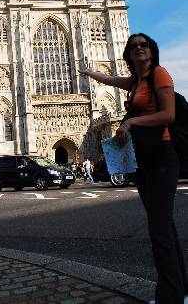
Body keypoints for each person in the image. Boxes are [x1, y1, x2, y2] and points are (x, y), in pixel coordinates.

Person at [79, 33, 188, 304]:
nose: (139, 48)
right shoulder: (136, 81)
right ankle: (180, 288)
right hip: (144, 159)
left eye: (144, 44)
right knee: (164, 227)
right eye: (133, 46)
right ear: (128, 54)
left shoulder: (159, 75)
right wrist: (87, 70)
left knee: (159, 229)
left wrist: (130, 123)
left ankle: (169, 297)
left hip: (162, 155)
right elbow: (110, 80)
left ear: (153, 50)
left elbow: (169, 115)